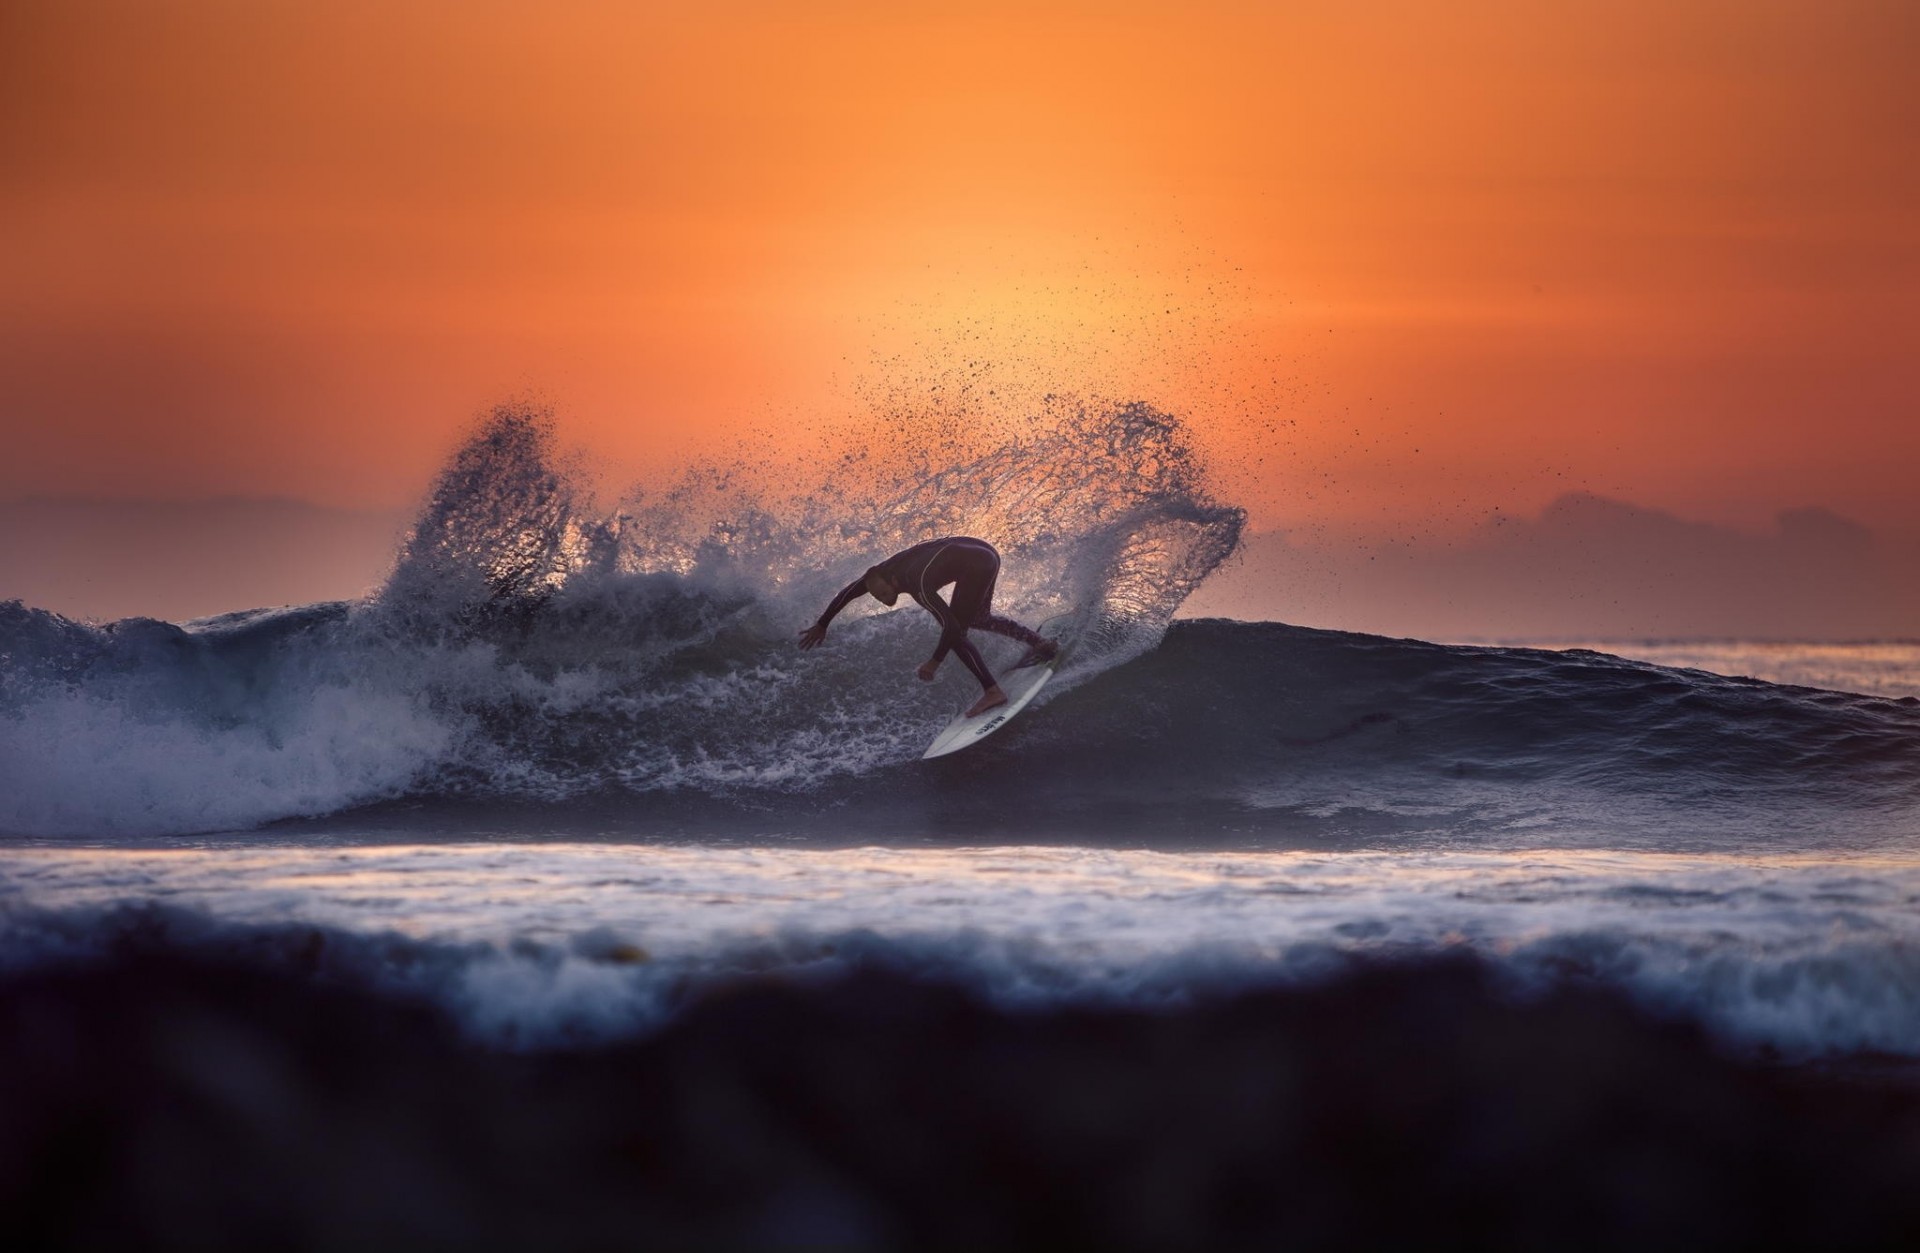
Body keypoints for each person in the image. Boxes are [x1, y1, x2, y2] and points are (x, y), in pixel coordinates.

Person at [798, 536, 1057, 718]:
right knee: (977, 617)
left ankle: (992, 691)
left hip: (978, 562)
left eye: (885, 593)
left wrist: (934, 661)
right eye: (877, 597)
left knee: (956, 632)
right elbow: (850, 591)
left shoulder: (918, 583)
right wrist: (823, 623)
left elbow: (951, 627)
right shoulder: (882, 573)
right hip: (984, 552)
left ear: (895, 582)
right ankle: (1037, 642)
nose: (883, 600)